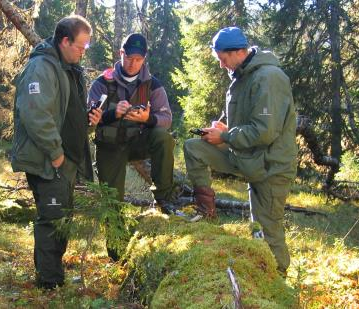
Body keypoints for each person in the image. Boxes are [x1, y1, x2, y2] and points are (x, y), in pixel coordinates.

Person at [183, 27, 297, 275]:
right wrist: (224, 130)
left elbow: (265, 131)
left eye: (223, 59)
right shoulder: (241, 78)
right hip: (247, 157)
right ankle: (206, 213)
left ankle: (279, 281)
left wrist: (225, 136)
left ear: (237, 52)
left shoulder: (269, 77)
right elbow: (248, 125)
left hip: (270, 167)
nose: (222, 66)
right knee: (194, 147)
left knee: (267, 229)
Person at [11, 15, 102, 289]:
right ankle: (48, 284)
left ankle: (54, 275)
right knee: (51, 220)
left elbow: (65, 113)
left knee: (62, 218)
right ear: (65, 41)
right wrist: (56, 154)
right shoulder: (41, 68)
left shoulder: (68, 67)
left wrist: (87, 119)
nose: (84, 51)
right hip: (49, 161)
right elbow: (36, 115)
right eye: (80, 46)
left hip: (65, 161)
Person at [88, 33, 176, 213]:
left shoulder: (152, 85)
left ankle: (164, 200)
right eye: (129, 57)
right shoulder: (102, 82)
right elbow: (89, 119)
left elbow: (167, 120)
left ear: (144, 58)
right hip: (109, 146)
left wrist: (148, 119)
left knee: (163, 137)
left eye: (138, 59)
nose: (133, 63)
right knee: (112, 204)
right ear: (121, 53)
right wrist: (113, 114)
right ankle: (116, 237)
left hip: (138, 142)